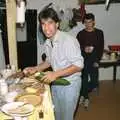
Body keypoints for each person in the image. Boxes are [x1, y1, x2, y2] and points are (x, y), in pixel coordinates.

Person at [23, 8, 84, 120]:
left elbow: (79, 65)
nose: (46, 28)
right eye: (43, 24)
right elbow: (49, 61)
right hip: (56, 82)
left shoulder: (68, 41)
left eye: (50, 23)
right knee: (56, 114)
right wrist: (35, 68)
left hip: (70, 85)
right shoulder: (48, 41)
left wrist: (55, 74)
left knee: (66, 117)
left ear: (57, 24)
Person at [76, 13, 104, 108]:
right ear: (84, 23)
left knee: (94, 82)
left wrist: (98, 61)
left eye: (90, 22)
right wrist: (84, 48)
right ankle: (86, 97)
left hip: (94, 60)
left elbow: (101, 48)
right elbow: (77, 48)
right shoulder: (80, 34)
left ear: (94, 22)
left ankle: (82, 93)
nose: (88, 24)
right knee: (83, 79)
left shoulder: (99, 33)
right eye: (86, 22)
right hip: (83, 60)